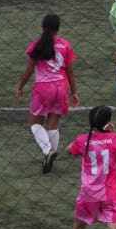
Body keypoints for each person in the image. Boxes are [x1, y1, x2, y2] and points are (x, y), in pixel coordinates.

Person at [16, 13, 79, 173]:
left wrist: (20, 86)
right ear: (58, 29)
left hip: (44, 89)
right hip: (61, 87)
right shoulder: (65, 45)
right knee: (53, 125)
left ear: (43, 27)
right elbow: (70, 71)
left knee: (35, 123)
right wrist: (74, 92)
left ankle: (48, 151)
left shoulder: (37, 45)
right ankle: (49, 160)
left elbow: (29, 69)